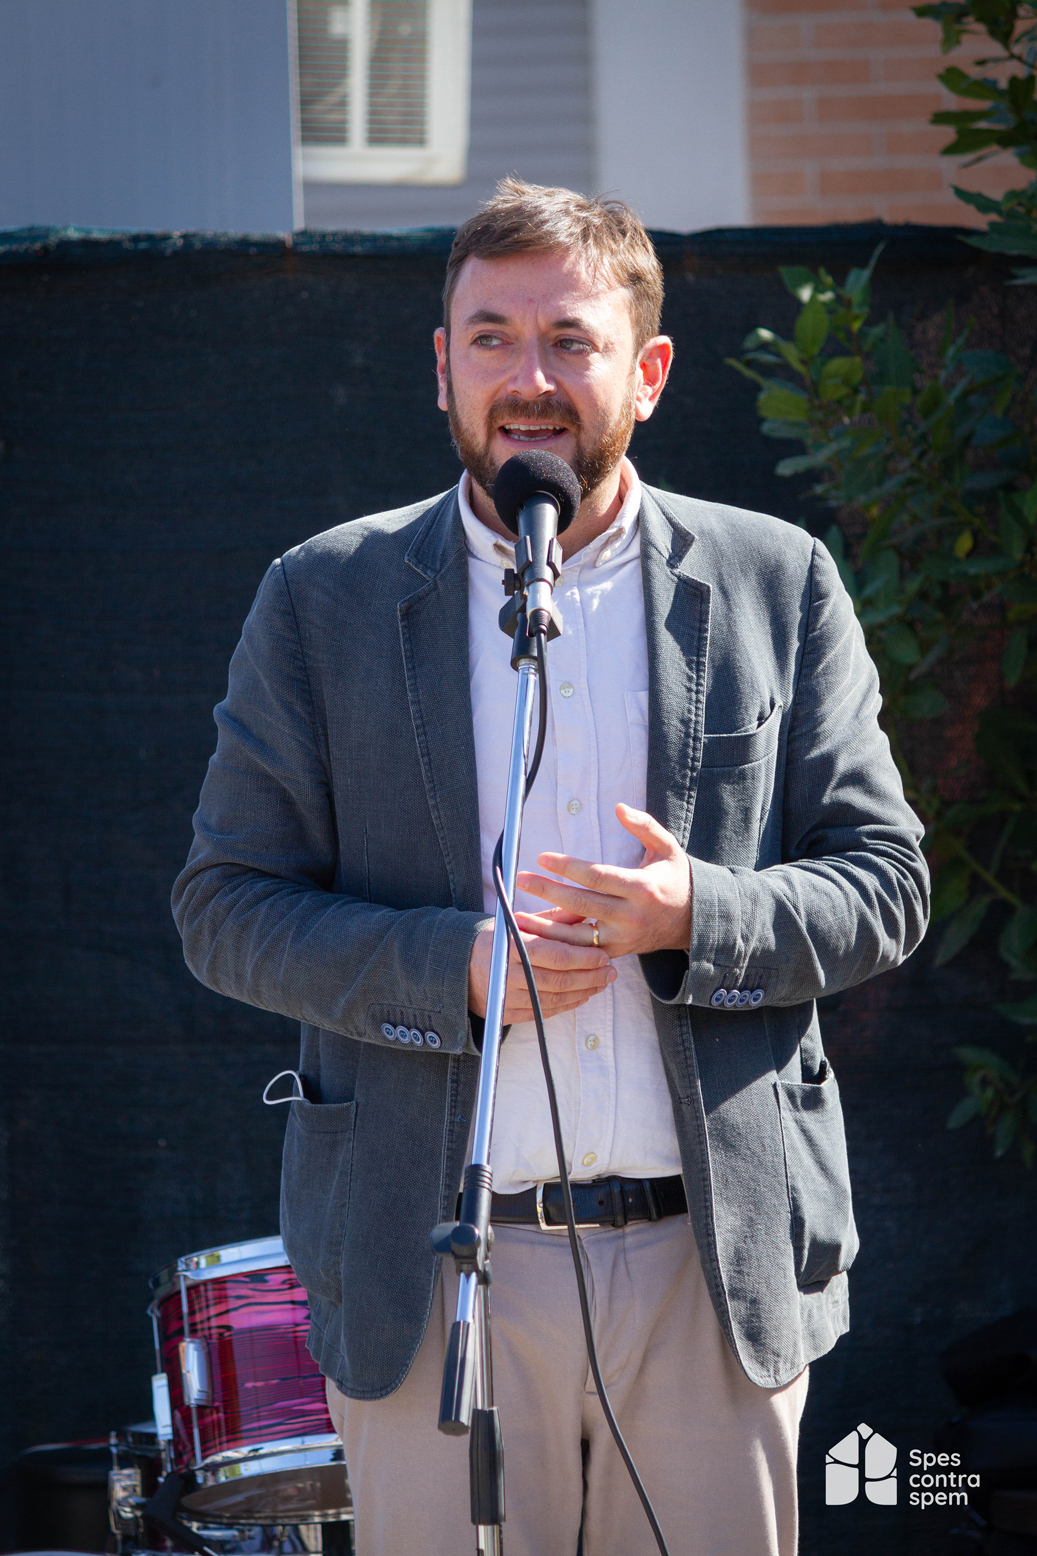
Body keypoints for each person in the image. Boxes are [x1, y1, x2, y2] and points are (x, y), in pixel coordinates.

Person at [172, 178, 929, 1556]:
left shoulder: (774, 581)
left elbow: (884, 882)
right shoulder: (324, 595)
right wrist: (452, 969)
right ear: (442, 367)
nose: (528, 378)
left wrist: (695, 913)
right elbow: (224, 908)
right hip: (428, 1272)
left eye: (570, 340)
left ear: (647, 371)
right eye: (491, 338)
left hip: (709, 1270)